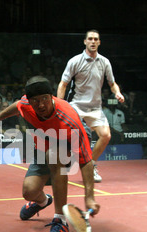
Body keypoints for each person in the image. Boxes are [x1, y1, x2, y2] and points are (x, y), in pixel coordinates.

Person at [0, 76, 100, 232]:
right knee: (29, 192)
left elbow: (86, 160)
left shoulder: (69, 120)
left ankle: (60, 221)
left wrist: (90, 197)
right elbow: (17, 106)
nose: (41, 105)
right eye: (36, 100)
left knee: (54, 155)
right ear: (29, 100)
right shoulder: (26, 105)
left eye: (45, 99)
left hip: (67, 145)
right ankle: (43, 201)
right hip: (45, 146)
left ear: (52, 97)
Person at [57, 29, 125, 182]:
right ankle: (58, 166)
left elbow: (112, 83)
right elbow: (63, 84)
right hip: (76, 106)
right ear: (85, 41)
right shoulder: (75, 61)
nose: (93, 41)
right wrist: (60, 105)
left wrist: (117, 93)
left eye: (96, 39)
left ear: (99, 42)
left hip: (95, 108)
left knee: (106, 136)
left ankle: (91, 165)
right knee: (73, 138)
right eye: (90, 39)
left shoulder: (105, 62)